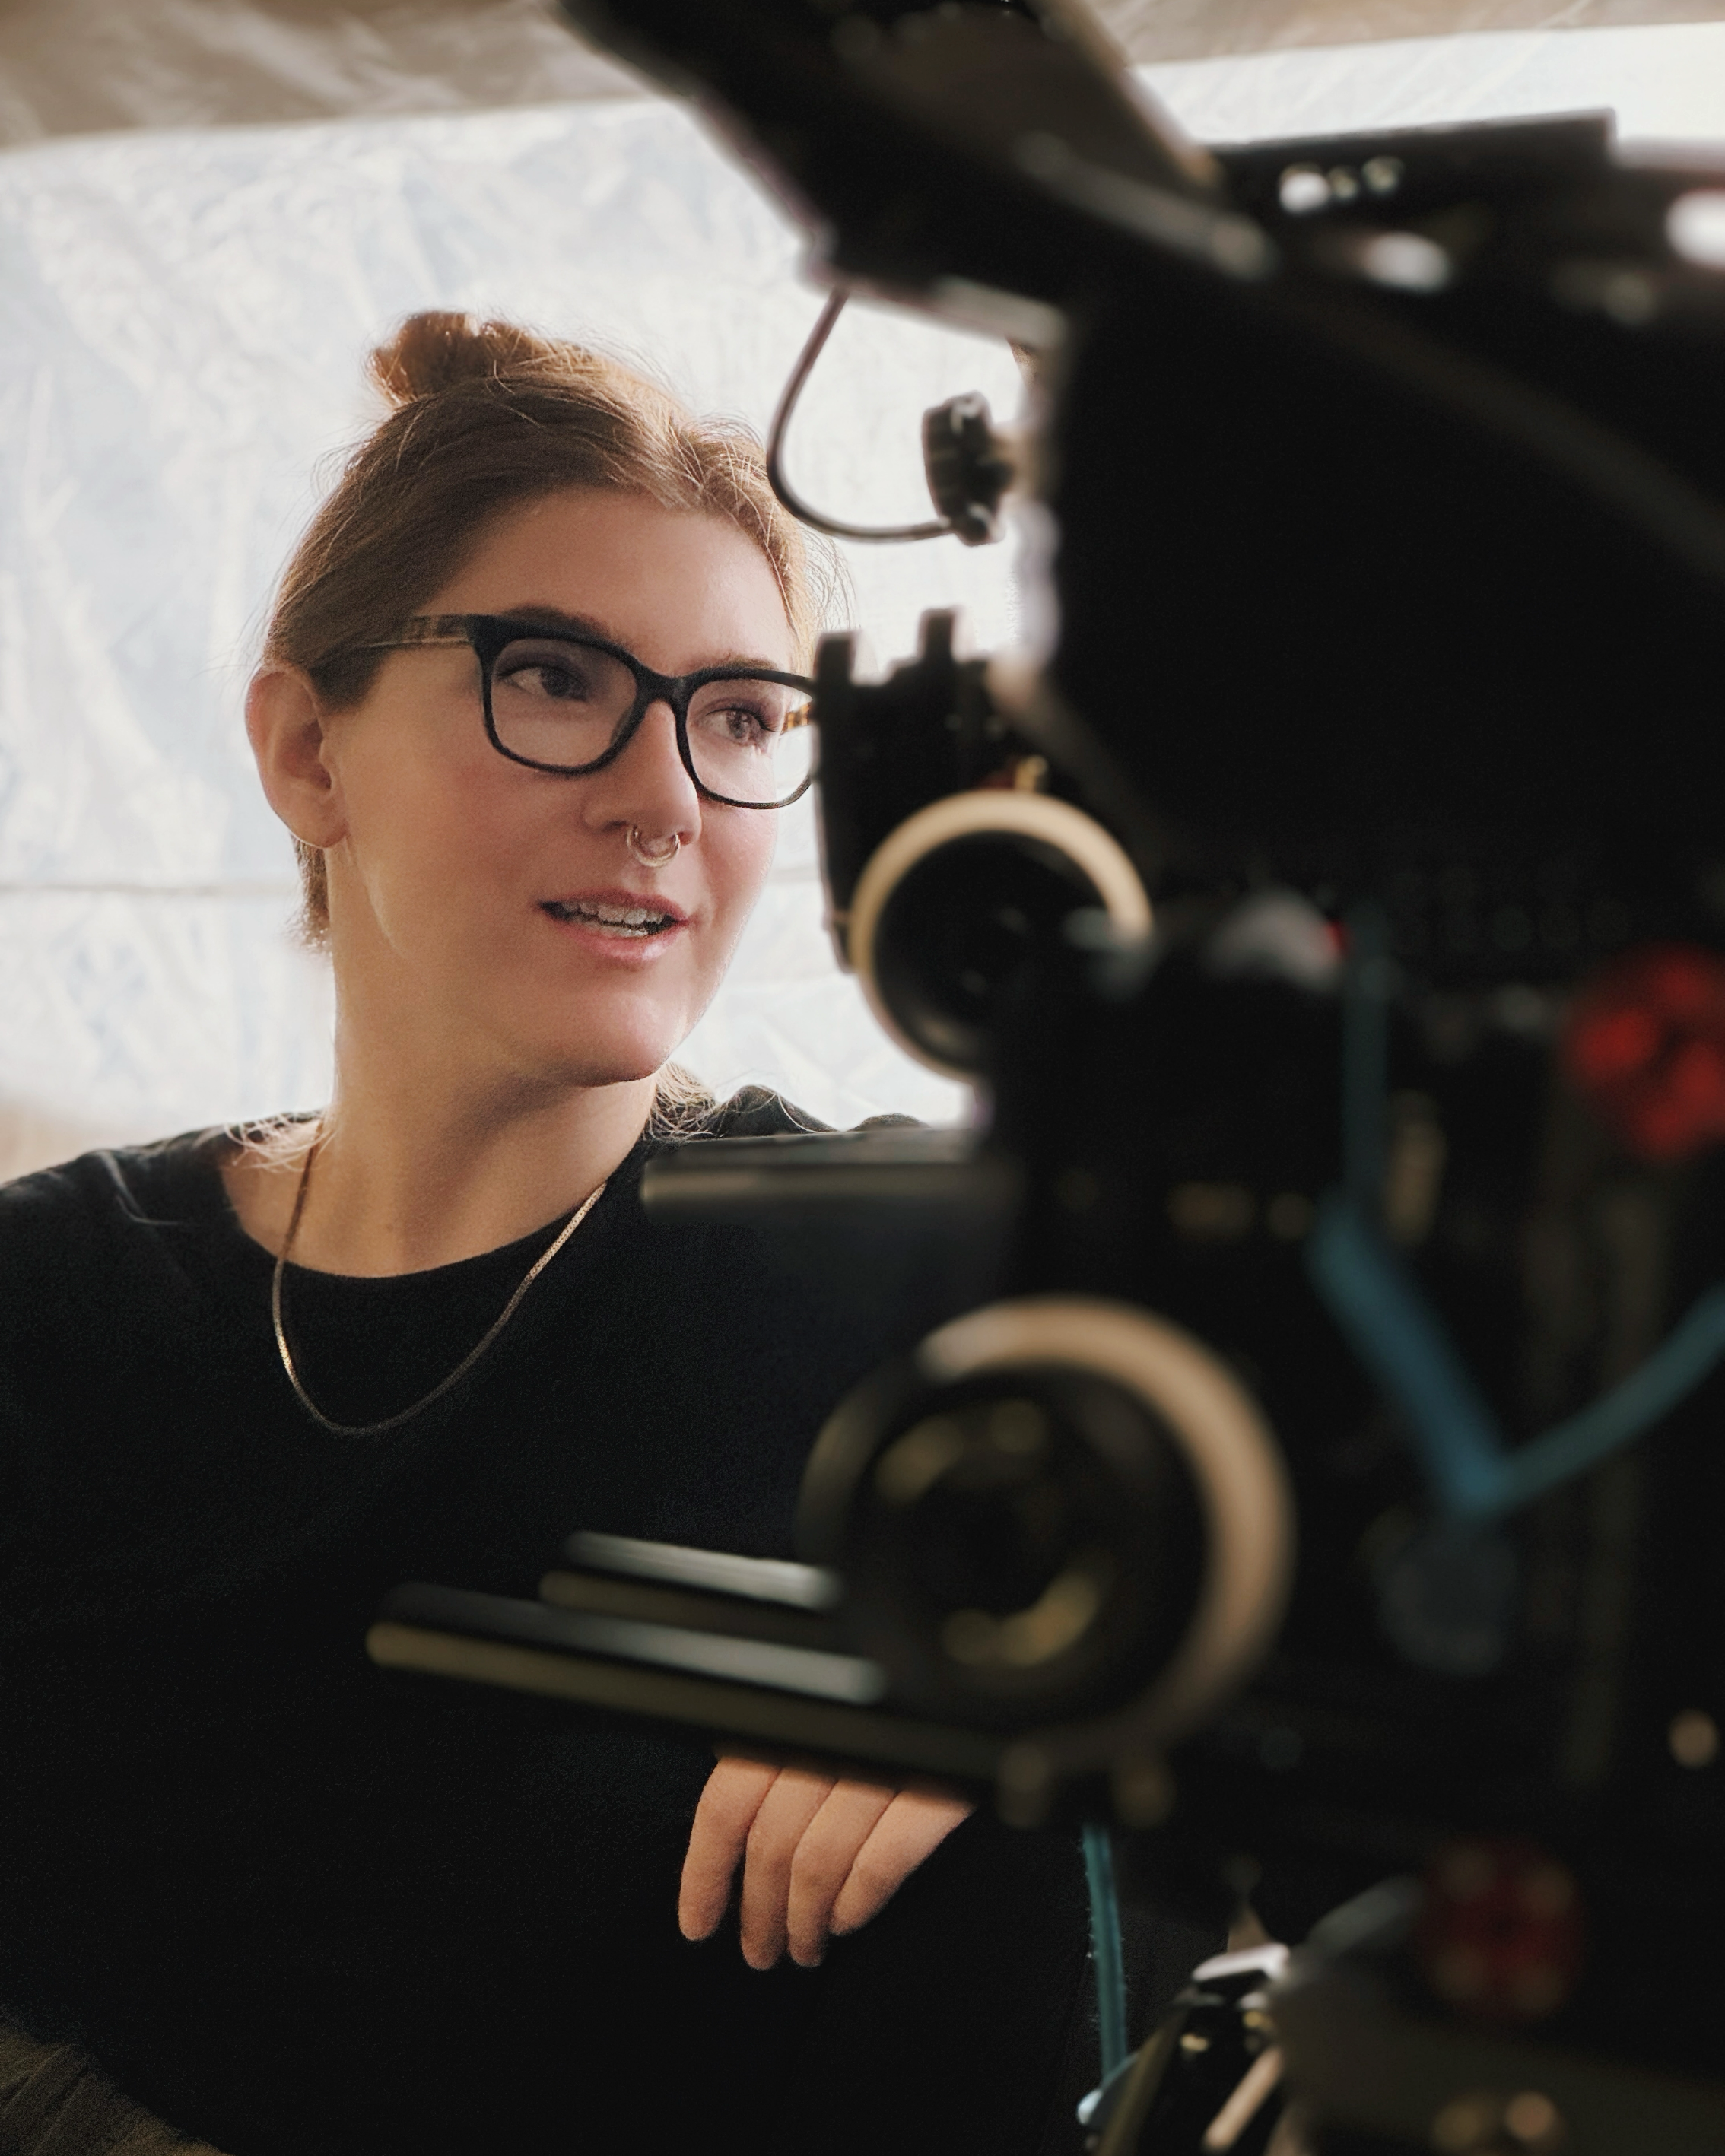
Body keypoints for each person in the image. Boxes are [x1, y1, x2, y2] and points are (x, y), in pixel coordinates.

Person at [0, 313, 1098, 2155]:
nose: (667, 794)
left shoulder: (921, 1269)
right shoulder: (51, 1311)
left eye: (743, 713)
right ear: (304, 750)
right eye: (559, 678)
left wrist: (1052, 1673)